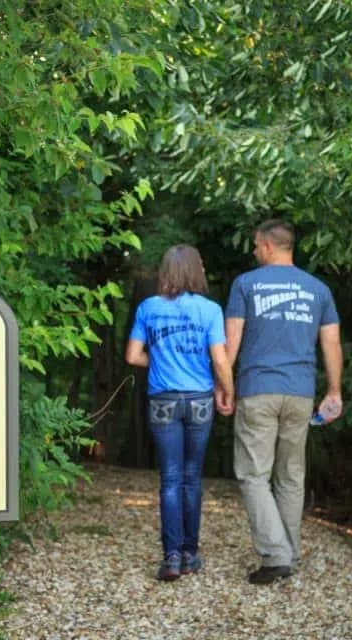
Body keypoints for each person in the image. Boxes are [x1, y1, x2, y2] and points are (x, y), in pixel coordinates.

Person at [218, 219, 343, 585]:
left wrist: (224, 386)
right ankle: (288, 551)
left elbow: (232, 343)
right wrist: (333, 391)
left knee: (253, 474)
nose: (254, 251)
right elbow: (331, 344)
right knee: (291, 475)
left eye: (256, 245)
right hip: (302, 392)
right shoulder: (318, 289)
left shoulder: (246, 285)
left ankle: (276, 555)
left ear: (268, 246)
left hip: (259, 389)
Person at [125, 244, 235, 581]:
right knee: (192, 477)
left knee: (170, 479)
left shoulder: (148, 308)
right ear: (196, 271)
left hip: (163, 400)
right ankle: (190, 554)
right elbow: (219, 359)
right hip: (200, 400)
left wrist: (158, 361)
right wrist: (228, 391)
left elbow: (132, 356)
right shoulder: (210, 310)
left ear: (166, 272)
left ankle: (171, 557)